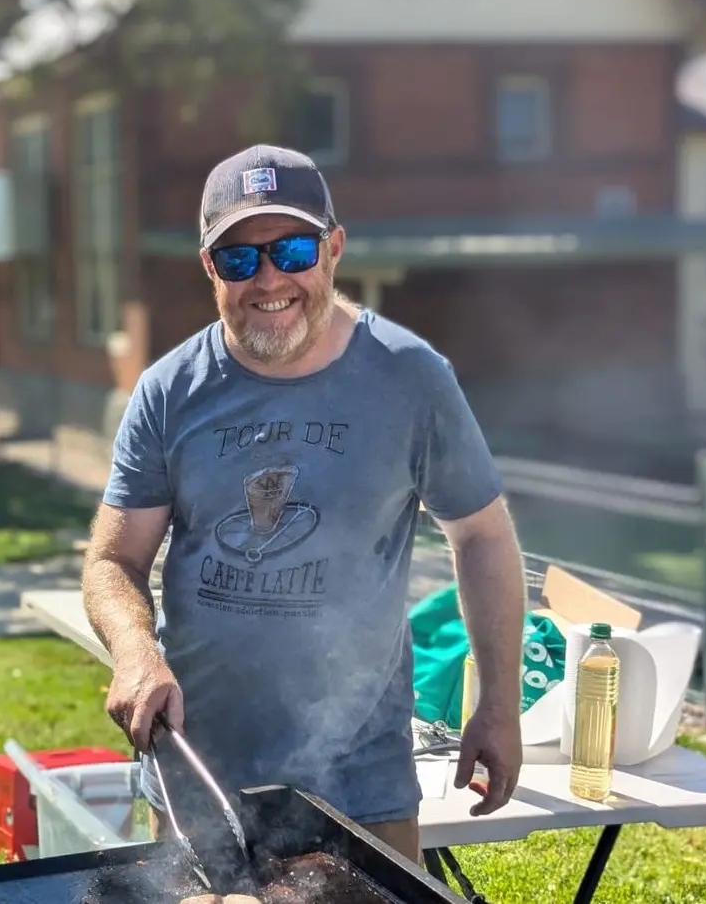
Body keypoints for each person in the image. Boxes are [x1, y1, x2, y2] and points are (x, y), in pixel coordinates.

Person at [81, 144, 528, 863]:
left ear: (333, 248)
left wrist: (498, 702)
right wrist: (135, 651)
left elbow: (481, 535)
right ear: (208, 268)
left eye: (292, 249)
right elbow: (113, 557)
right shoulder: (169, 390)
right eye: (238, 259)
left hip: (362, 779)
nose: (268, 279)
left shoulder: (411, 377)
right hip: (202, 772)